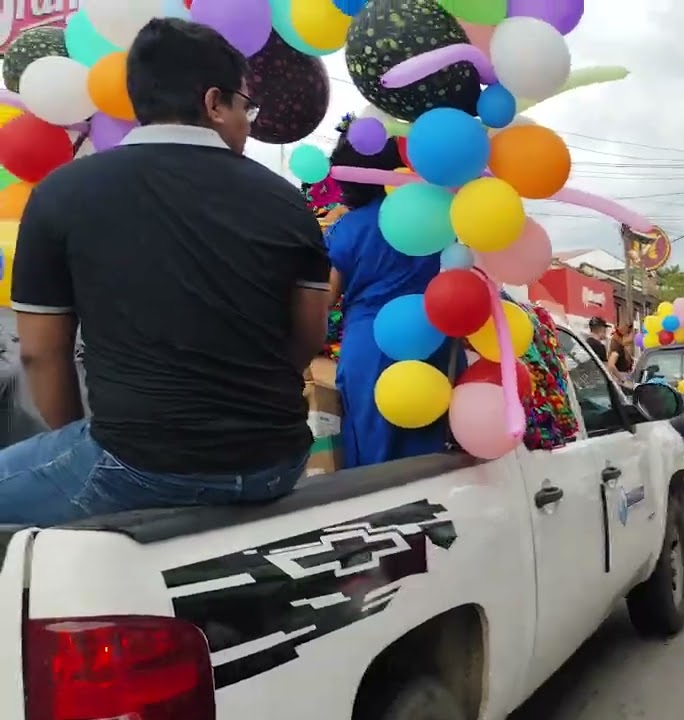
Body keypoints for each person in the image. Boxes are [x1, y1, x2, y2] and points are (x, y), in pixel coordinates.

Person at [0, 19, 327, 525]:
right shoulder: (287, 201)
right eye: (247, 106)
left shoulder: (63, 193)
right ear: (215, 102)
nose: (248, 121)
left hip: (135, 466)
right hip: (278, 464)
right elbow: (308, 334)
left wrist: (80, 442)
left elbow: (42, 353)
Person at [324, 115, 457, 468]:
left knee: (371, 464)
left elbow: (324, 296)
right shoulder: (434, 215)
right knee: (423, 457)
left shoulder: (347, 228)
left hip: (368, 347)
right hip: (427, 341)